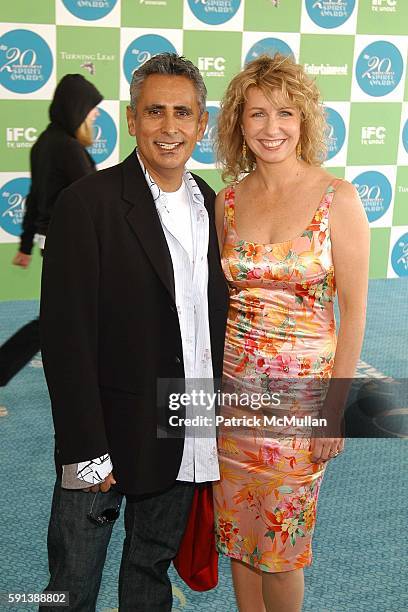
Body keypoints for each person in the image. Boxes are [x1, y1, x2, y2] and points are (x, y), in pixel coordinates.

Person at [39, 53, 228, 611]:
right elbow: (66, 341)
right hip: (104, 432)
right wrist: (88, 452)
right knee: (69, 586)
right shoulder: (87, 205)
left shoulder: (213, 207)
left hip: (180, 425)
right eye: (154, 112)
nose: (169, 127)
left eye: (182, 113)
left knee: (149, 570)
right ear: (130, 118)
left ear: (201, 124)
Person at [212, 54, 369, 612]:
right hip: (233, 400)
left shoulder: (339, 199)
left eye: (284, 113)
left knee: (282, 547)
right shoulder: (225, 203)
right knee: (238, 537)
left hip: (302, 406)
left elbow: (355, 312)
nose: (271, 128)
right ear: (239, 122)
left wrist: (335, 408)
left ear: (304, 120)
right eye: (256, 114)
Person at [0, 74, 102, 389]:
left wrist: (27, 244)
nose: (96, 114)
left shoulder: (45, 142)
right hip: (72, 247)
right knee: (56, 321)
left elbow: (35, 198)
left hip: (56, 243)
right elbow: (94, 202)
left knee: (67, 319)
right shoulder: (68, 148)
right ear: (76, 109)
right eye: (91, 109)